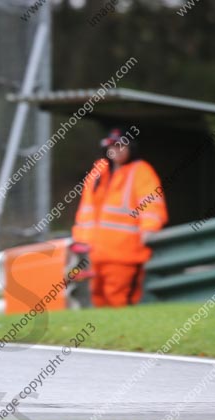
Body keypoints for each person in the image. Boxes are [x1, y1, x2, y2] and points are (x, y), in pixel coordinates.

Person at [71, 127, 168, 307]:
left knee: (118, 300)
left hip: (124, 254)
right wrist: (81, 242)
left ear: (131, 148)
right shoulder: (98, 172)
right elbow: (86, 210)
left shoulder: (141, 171)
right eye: (112, 146)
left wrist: (149, 229)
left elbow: (152, 205)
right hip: (95, 254)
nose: (116, 150)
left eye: (121, 145)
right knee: (98, 299)